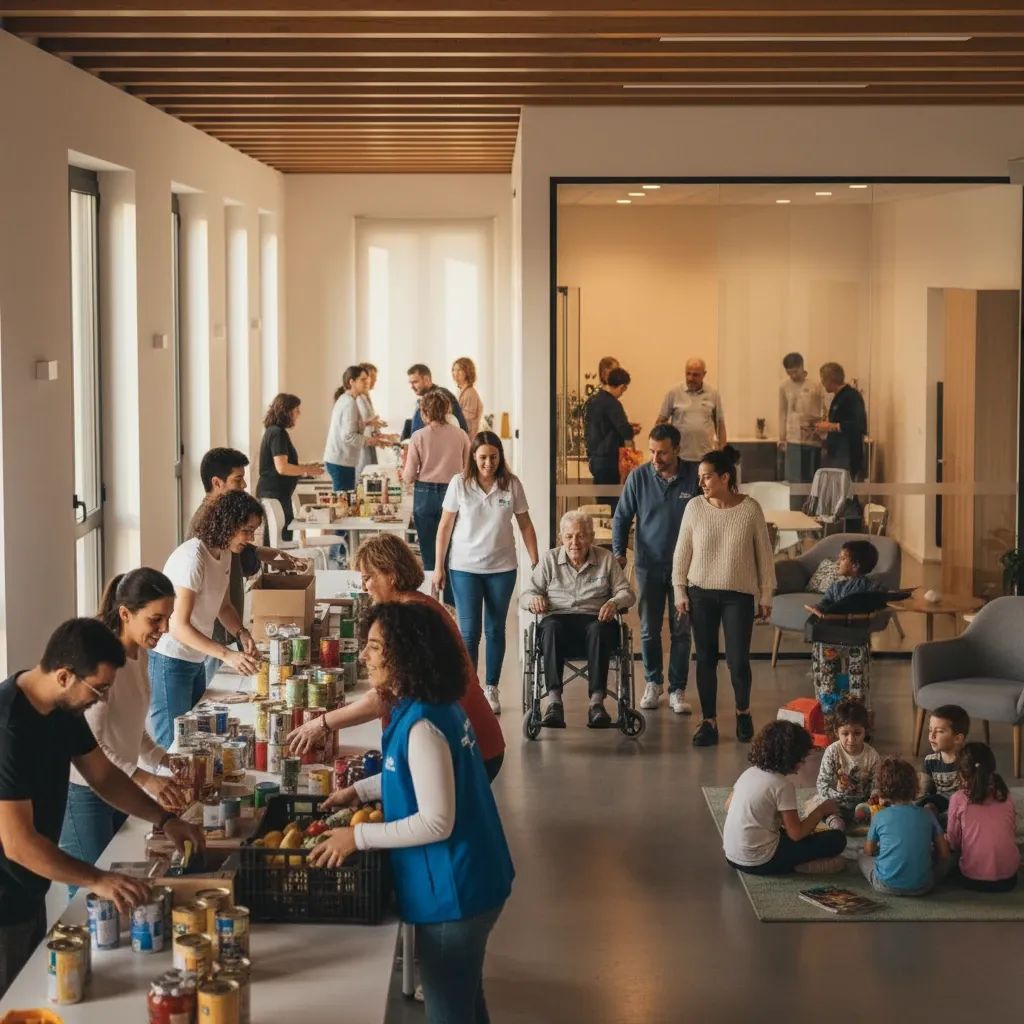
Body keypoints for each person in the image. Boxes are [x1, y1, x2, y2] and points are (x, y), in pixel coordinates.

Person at [308, 603, 514, 1024]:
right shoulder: (430, 705)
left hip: (456, 893)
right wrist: (358, 791)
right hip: (479, 877)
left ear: (405, 654)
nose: (364, 656)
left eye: (374, 647)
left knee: (448, 1011)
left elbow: (437, 820)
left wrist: (357, 837)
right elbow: (413, 777)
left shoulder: (422, 725)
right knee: (467, 1000)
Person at [0, 619, 205, 997]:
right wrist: (96, 879)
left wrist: (166, 819)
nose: (103, 700)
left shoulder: (62, 711)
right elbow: (18, 843)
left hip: (27, 888)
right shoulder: (8, 725)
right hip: (4, 900)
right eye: (100, 688)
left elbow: (104, 778)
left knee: (32, 997)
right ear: (64, 676)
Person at [286, 534, 506, 781]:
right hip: (469, 737)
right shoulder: (417, 605)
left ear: (390, 574)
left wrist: (321, 723)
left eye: (368, 577)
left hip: (467, 745)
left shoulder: (410, 619)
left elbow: (385, 698)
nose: (364, 587)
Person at [60, 570, 189, 884]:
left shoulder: (140, 653)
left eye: (168, 618)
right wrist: (144, 778)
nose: (165, 629)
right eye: (156, 619)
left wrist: (162, 758)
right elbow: (89, 743)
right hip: (84, 791)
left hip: (118, 785)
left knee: (118, 877)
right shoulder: (99, 664)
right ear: (125, 614)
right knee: (94, 889)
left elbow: (132, 727)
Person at [673, 446, 775, 748]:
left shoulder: (750, 509)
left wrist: (766, 594)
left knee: (738, 660)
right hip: (700, 592)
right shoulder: (694, 507)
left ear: (725, 477)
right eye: (700, 478)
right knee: (704, 659)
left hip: (739, 595)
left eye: (707, 477)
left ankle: (743, 712)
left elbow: (764, 556)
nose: (701, 483)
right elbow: (682, 552)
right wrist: (679, 589)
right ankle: (709, 721)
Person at [433, 432, 540, 715]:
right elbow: (444, 526)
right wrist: (438, 567)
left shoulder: (511, 485)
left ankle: (491, 687)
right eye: (482, 457)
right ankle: (471, 689)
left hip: (502, 568)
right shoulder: (460, 484)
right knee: (469, 632)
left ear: (500, 457)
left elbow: (526, 525)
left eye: (493, 457)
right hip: (464, 567)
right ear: (473, 457)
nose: (488, 463)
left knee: (495, 629)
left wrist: (535, 561)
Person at [148, 491, 263, 748]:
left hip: (195, 658)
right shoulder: (193, 558)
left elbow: (223, 605)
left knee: (194, 741)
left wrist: (242, 634)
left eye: (253, 531)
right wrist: (226, 655)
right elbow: (177, 626)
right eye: (247, 530)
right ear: (228, 523)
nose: (250, 538)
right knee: (172, 746)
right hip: (171, 661)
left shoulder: (225, 553)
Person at [192, 447, 307, 683]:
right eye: (238, 480)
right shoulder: (203, 527)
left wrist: (280, 558)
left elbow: (251, 552)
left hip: (229, 627)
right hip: (213, 635)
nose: (244, 485)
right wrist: (228, 647)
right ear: (217, 482)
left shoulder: (226, 519)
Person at [520, 510, 635, 729]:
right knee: (551, 627)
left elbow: (627, 593)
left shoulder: (606, 559)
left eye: (581, 536)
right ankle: (554, 702)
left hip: (595, 623)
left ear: (591, 537)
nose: (575, 542)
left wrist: (614, 603)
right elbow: (525, 595)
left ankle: (596, 704)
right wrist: (534, 599)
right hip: (558, 622)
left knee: (599, 630)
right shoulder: (549, 560)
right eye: (569, 536)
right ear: (561, 538)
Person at [612, 424, 698, 715]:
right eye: (651, 451)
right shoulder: (639, 477)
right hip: (648, 565)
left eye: (662, 452)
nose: (655, 458)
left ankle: (677, 689)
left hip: (685, 569)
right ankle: (653, 682)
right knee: (648, 630)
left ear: (676, 449)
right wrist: (619, 553)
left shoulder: (694, 477)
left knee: (681, 632)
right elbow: (621, 517)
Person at [723, 720, 847, 876]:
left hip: (731, 856)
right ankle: (800, 866)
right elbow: (796, 834)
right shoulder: (782, 785)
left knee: (783, 832)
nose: (802, 763)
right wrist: (820, 811)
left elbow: (728, 805)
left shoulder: (749, 773)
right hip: (761, 861)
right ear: (790, 757)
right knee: (836, 839)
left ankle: (794, 862)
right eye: (801, 758)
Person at [404, 390, 470, 607]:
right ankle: (450, 606)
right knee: (451, 553)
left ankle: (431, 604)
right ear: (447, 410)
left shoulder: (418, 437)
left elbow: (409, 476)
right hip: (454, 494)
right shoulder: (460, 435)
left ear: (424, 412)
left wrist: (404, 474)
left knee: (430, 555)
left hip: (425, 496)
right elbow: (469, 470)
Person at [859, 755, 952, 896]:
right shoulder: (928, 814)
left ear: (882, 790)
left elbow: (869, 851)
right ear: (916, 786)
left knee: (861, 855)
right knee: (946, 861)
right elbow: (944, 854)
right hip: (924, 886)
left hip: (885, 885)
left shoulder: (880, 816)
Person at [946, 742, 1020, 892]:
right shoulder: (1006, 795)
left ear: (961, 774)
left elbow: (954, 843)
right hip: (1009, 880)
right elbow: (1012, 829)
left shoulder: (958, 799)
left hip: (971, 879)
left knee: (945, 856)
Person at [255, 392, 323, 541]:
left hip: (278, 493)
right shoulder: (277, 433)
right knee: (279, 537)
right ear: (287, 411)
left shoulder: (276, 432)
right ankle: (275, 564)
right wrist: (307, 470)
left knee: (280, 535)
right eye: (296, 410)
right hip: (274, 494)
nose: (299, 413)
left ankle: (276, 564)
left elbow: (281, 465)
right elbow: (282, 468)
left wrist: (306, 466)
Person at [814, 698, 880, 832]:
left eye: (857, 733)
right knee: (818, 804)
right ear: (836, 731)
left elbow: (877, 784)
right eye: (845, 733)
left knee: (878, 807)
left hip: (861, 803)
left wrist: (874, 796)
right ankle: (836, 821)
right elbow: (822, 785)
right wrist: (837, 790)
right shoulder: (832, 752)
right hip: (835, 803)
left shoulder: (872, 756)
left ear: (865, 731)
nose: (851, 739)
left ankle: (859, 818)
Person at [656, 358, 727, 475]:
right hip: (679, 458)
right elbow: (660, 423)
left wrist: (722, 452)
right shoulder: (673, 393)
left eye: (695, 375)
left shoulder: (713, 394)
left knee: (703, 492)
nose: (690, 378)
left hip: (705, 458)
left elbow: (720, 425)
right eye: (688, 373)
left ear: (704, 374)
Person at [584, 366, 636, 513]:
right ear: (622, 386)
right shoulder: (613, 404)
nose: (622, 393)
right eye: (624, 389)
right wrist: (631, 430)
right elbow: (625, 431)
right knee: (614, 504)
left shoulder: (593, 400)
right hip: (609, 460)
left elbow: (602, 427)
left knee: (602, 504)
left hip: (595, 459)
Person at [324, 365, 382, 493]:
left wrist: (366, 423)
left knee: (346, 502)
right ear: (352, 382)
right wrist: (372, 441)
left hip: (340, 460)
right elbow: (348, 436)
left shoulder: (345, 399)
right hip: (341, 461)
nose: (367, 382)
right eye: (363, 379)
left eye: (367, 379)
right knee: (344, 505)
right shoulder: (350, 403)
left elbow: (346, 427)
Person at [778, 352, 826, 486]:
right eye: (789, 373)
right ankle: (795, 507)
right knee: (794, 480)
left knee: (812, 480)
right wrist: (782, 437)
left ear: (802, 366)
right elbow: (782, 413)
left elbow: (824, 410)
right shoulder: (784, 386)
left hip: (813, 439)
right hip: (793, 439)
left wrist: (823, 435)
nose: (793, 376)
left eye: (795, 371)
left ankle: (810, 507)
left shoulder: (815, 385)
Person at [918, 704, 970, 819]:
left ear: (958, 738)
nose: (932, 736)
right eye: (930, 730)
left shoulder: (968, 760)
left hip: (964, 805)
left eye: (940, 731)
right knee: (924, 805)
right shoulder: (930, 761)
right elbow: (923, 792)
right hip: (941, 803)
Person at [804, 539, 881, 617]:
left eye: (842, 559)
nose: (837, 562)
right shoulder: (835, 587)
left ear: (855, 566)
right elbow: (825, 602)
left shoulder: (870, 587)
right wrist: (817, 608)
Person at [817, 362, 867, 481]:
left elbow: (858, 425)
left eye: (823, 379)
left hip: (847, 455)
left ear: (830, 379)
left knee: (845, 493)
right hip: (837, 454)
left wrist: (831, 426)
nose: (822, 383)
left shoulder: (851, 396)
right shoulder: (839, 396)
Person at [404, 363, 468, 438]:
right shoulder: (430, 397)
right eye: (410, 383)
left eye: (415, 382)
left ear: (426, 379)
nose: (412, 387)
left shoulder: (439, 397)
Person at [356, 362, 386, 470]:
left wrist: (380, 435)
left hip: (369, 443)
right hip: (362, 444)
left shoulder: (365, 396)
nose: (375, 380)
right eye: (372, 377)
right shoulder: (357, 398)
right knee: (363, 474)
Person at [452, 356, 484, 438]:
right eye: (454, 370)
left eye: (459, 370)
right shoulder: (461, 391)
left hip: (468, 439)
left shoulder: (470, 393)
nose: (455, 373)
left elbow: (466, 422)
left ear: (467, 372)